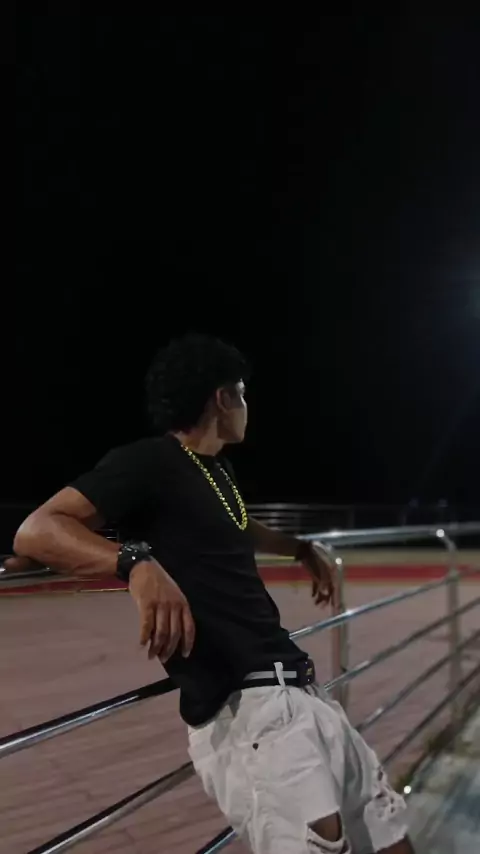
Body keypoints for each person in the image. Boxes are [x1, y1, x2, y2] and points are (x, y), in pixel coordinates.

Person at [13, 334, 413, 854]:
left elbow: (238, 527)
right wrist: (135, 563)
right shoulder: (149, 462)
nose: (247, 405)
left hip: (304, 694)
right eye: (242, 393)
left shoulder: (217, 470)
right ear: (222, 398)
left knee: (393, 838)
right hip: (249, 713)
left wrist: (297, 548)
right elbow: (38, 529)